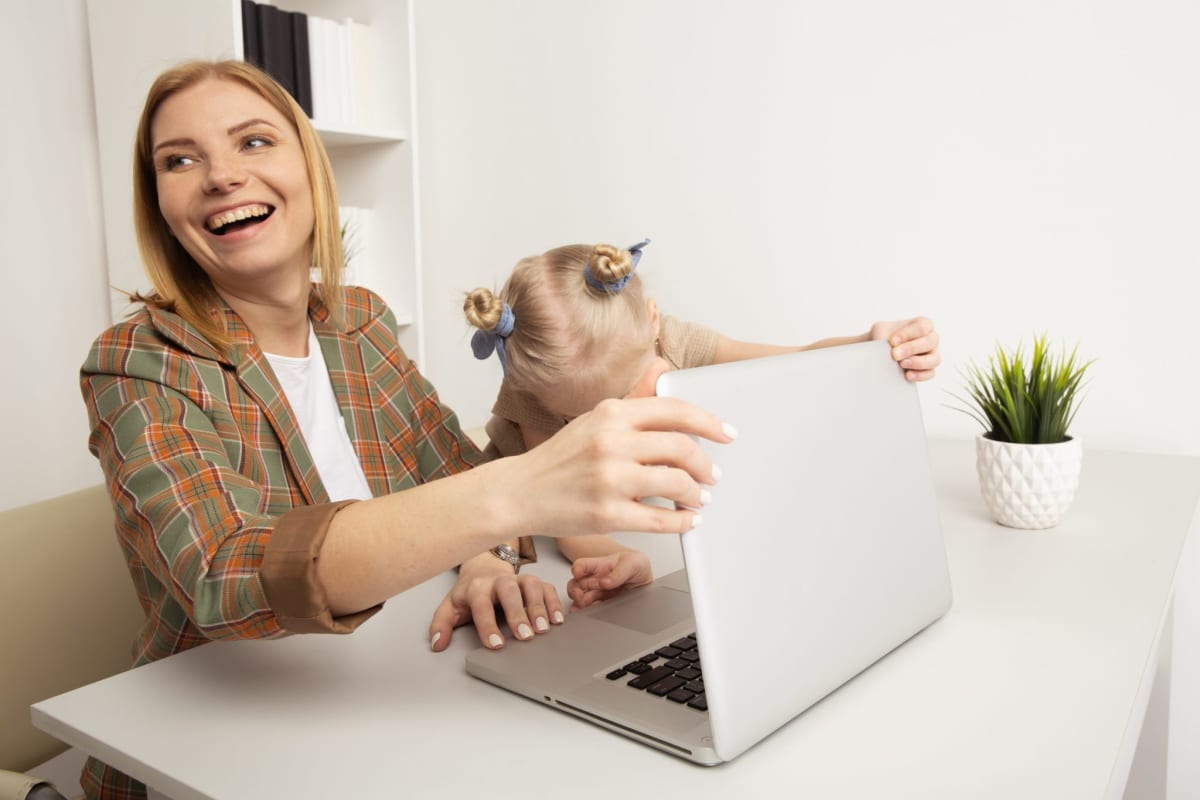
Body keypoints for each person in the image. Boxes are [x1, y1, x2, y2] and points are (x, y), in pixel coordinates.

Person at [78, 61, 732, 800]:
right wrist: (511, 498)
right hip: (215, 755)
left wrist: (482, 563)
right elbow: (221, 575)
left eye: (253, 142)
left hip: (378, 720)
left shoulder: (359, 320)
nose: (221, 176)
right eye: (180, 159)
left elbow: (452, 474)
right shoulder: (136, 363)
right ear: (159, 204)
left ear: (309, 168)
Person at [457, 239, 940, 619]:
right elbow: (566, 518)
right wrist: (621, 556)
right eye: (588, 413)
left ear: (652, 323)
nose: (611, 417)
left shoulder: (678, 341)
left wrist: (867, 344)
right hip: (522, 494)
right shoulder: (532, 395)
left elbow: (785, 364)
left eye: (625, 393)